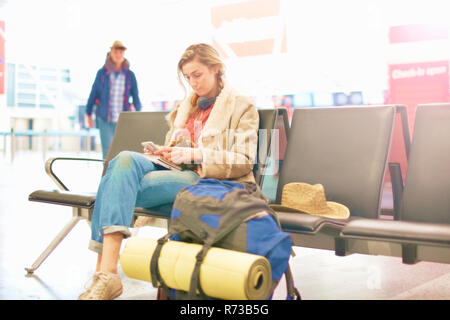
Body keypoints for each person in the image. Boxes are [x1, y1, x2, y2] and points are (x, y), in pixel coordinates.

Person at [78, 43, 259, 300]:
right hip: (178, 170)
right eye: (187, 77)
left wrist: (196, 153)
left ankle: (103, 275)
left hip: (208, 180)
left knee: (114, 184)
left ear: (216, 68)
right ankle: (108, 275)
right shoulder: (187, 107)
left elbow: (244, 160)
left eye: (197, 75)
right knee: (123, 160)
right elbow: (179, 150)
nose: (192, 83)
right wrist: (168, 149)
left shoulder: (241, 106)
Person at [85, 40, 142, 159]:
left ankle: (119, 176)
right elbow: (93, 94)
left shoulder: (129, 75)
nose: (118, 54)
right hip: (105, 118)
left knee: (122, 149)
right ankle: (107, 176)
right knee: (107, 150)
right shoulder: (102, 73)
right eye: (116, 51)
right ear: (110, 53)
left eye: (121, 51)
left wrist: (139, 114)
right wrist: (88, 114)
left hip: (123, 119)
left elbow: (136, 96)